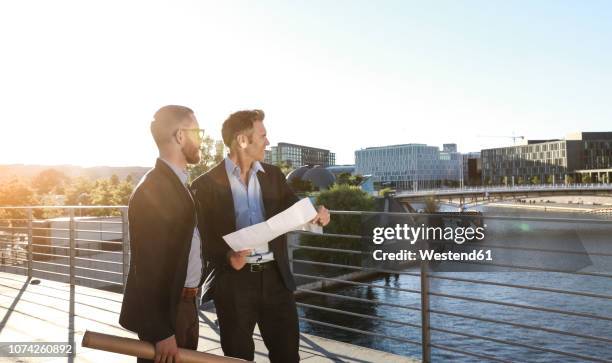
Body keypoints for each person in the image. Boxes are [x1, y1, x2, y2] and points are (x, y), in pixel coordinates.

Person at [192, 109, 331, 362]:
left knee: (288, 356)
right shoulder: (204, 185)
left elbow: (295, 208)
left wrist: (316, 214)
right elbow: (200, 241)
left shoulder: (274, 176)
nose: (268, 141)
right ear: (242, 140)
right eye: (263, 135)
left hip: (276, 279)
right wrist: (227, 256)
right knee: (238, 357)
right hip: (233, 283)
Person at [120, 105, 206, 363]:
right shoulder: (154, 189)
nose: (201, 139)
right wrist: (161, 331)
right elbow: (147, 268)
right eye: (197, 132)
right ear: (180, 136)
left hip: (186, 306)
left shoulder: (177, 183)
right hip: (169, 316)